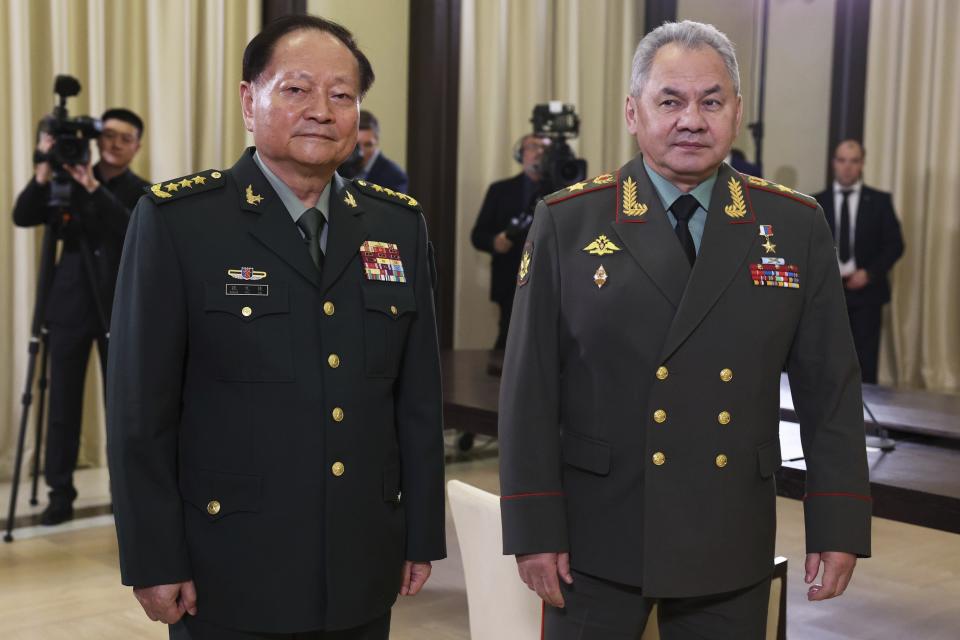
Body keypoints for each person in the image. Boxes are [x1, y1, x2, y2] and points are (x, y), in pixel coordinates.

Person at [498, 20, 871, 639]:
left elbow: (829, 388)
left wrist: (838, 522)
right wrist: (534, 529)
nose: (691, 120)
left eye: (711, 101)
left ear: (736, 111)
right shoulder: (569, 219)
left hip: (728, 531)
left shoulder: (793, 223)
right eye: (669, 101)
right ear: (632, 111)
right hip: (597, 537)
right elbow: (528, 389)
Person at [106, 15, 445, 640]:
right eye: (295, 89)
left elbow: (417, 398)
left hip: (360, 564)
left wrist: (419, 533)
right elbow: (139, 410)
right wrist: (153, 557)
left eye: (342, 95)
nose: (322, 110)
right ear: (248, 100)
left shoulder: (396, 225)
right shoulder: (179, 221)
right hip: (228, 567)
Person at [12, 107, 148, 526]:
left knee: (123, 407)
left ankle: (124, 494)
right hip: (68, 304)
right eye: (108, 135)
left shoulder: (142, 191)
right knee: (63, 406)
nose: (115, 145)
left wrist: (91, 187)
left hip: (120, 307)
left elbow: (131, 231)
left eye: (125, 139)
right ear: (96, 138)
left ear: (137, 146)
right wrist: (43, 166)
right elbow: (23, 216)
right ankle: (59, 493)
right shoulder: (60, 180)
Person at [814, 140, 904, 384]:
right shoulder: (815, 202)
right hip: (828, 294)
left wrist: (869, 273)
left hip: (866, 292)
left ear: (862, 164)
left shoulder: (879, 201)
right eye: (842, 160)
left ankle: (865, 418)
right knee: (826, 358)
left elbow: (895, 245)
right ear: (834, 163)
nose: (847, 167)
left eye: (854, 161)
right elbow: (808, 248)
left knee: (865, 361)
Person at [470, 133, 550, 351]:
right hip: (509, 280)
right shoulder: (500, 190)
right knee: (508, 341)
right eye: (533, 147)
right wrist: (494, 242)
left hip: (551, 279)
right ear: (520, 154)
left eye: (545, 149)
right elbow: (478, 235)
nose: (539, 153)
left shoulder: (562, 190)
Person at [355, 110, 408, 192]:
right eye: (356, 145)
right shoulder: (339, 168)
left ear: (377, 141)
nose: (361, 152)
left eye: (368, 145)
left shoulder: (395, 177)